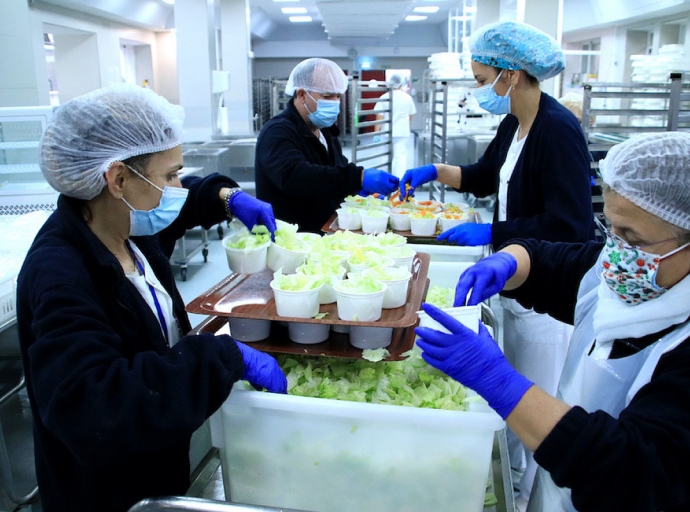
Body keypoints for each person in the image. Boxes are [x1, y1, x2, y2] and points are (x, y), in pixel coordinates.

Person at [16, 84, 287, 512]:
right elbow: (94, 409)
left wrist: (229, 198)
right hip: (107, 495)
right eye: (169, 175)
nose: (177, 187)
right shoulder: (60, 274)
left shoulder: (126, 228)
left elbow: (190, 196)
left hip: (156, 467)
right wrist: (220, 358)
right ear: (118, 178)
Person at [415, 132, 690, 512]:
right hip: (558, 488)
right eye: (612, 229)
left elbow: (634, 470)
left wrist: (498, 381)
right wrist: (508, 262)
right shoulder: (621, 275)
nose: (617, 252)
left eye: (634, 239)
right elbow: (547, 260)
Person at [399, 21, 594, 506]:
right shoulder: (514, 121)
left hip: (543, 303)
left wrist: (496, 233)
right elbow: (486, 177)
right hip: (511, 281)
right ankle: (508, 469)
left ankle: (529, 496)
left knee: (533, 405)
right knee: (509, 398)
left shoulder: (558, 131)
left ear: (513, 73)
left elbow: (571, 227)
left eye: (484, 80)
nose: (480, 90)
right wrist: (436, 172)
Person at [255, 58, 399, 233]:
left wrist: (357, 189)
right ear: (301, 95)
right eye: (326, 96)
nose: (334, 102)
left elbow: (336, 170)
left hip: (325, 231)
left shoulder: (325, 130)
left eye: (337, 96)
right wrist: (357, 177)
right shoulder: (277, 132)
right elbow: (297, 177)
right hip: (293, 239)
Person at [373, 73, 417, 178]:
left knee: (385, 157)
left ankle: (385, 180)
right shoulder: (407, 98)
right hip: (402, 132)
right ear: (401, 84)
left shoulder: (384, 97)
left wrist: (376, 134)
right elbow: (410, 117)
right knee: (400, 157)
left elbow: (379, 118)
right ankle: (400, 182)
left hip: (386, 132)